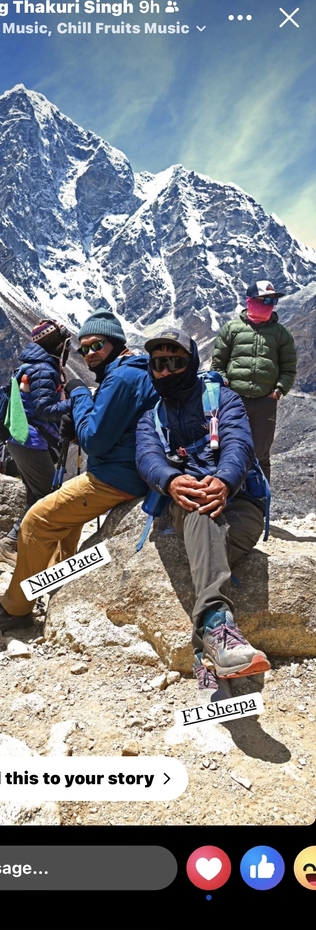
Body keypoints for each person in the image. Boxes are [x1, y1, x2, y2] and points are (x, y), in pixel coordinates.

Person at [0, 308, 157, 632]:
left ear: (114, 343)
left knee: (36, 521)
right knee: (63, 520)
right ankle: (55, 582)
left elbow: (94, 441)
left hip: (115, 476)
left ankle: (16, 608)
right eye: (83, 348)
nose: (88, 354)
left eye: (95, 346)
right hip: (129, 470)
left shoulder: (121, 377)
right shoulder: (135, 371)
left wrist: (81, 395)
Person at [135, 327, 271, 689]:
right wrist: (170, 481)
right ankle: (217, 628)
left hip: (240, 504)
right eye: (157, 364)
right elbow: (146, 456)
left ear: (191, 362)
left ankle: (207, 654)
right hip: (189, 504)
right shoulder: (152, 418)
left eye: (174, 362)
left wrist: (225, 480)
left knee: (206, 544)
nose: (164, 371)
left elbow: (239, 443)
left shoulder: (222, 400)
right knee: (200, 511)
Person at [0, 319, 72, 565]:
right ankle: (11, 544)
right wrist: (77, 400)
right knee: (50, 495)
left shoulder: (31, 366)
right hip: (32, 440)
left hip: (21, 439)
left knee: (36, 495)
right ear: (59, 344)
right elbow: (45, 409)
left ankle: (22, 546)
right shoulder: (44, 370)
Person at [210, 280, 297, 481]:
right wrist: (225, 385)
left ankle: (259, 502)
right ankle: (228, 495)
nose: (268, 304)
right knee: (228, 448)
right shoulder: (232, 328)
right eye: (264, 300)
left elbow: (289, 367)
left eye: (272, 301)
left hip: (265, 402)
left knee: (261, 454)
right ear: (249, 301)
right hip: (233, 400)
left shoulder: (281, 333)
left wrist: (278, 390)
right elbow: (218, 364)